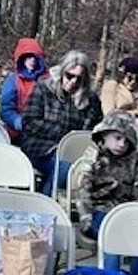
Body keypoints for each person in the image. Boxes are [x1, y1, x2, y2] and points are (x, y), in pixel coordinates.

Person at [77, 111, 138, 275]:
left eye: (126, 141)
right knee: (112, 237)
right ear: (104, 136)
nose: (122, 144)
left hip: (126, 214)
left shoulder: (134, 162)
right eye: (117, 138)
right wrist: (86, 217)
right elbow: (83, 189)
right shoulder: (93, 157)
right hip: (98, 212)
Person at [21, 50, 103, 196]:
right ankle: (46, 204)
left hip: (78, 152)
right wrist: (64, 135)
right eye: (69, 76)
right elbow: (28, 122)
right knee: (65, 168)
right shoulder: (43, 89)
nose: (73, 82)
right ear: (62, 72)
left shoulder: (91, 100)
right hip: (41, 148)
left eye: (79, 78)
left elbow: (97, 129)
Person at [0, 37, 48, 143]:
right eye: (29, 56)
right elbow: (6, 108)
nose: (32, 60)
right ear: (22, 58)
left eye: (35, 57)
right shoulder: (13, 80)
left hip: (42, 133)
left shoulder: (46, 80)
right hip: (16, 133)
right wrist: (18, 122)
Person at [100, 56, 138, 138]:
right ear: (122, 76)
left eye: (137, 79)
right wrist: (134, 116)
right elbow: (109, 113)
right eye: (130, 78)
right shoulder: (112, 87)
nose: (133, 82)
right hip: (114, 127)